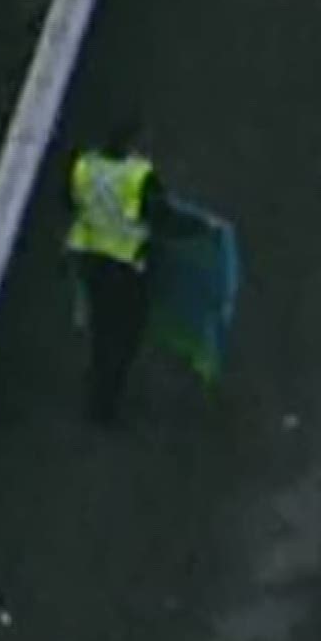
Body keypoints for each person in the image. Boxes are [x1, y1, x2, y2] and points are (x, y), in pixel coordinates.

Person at [62, 117, 205, 423]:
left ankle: (95, 397)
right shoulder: (138, 177)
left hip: (92, 263)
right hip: (127, 268)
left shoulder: (86, 167)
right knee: (123, 339)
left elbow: (68, 201)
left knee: (101, 333)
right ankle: (106, 408)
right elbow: (161, 217)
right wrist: (199, 229)